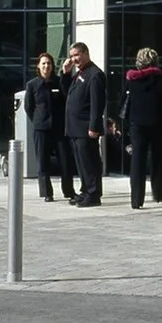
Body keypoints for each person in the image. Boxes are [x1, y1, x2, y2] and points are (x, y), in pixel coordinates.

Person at [121, 48, 162, 209]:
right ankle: (160, 194)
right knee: (158, 159)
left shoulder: (131, 80)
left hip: (137, 125)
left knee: (137, 162)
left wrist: (125, 123)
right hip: (158, 125)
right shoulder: (160, 80)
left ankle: (136, 200)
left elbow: (123, 102)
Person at [61, 45, 106, 208]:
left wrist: (94, 126)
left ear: (86, 53)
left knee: (89, 161)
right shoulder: (79, 73)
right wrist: (65, 73)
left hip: (85, 126)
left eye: (77, 55)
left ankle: (93, 194)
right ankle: (86, 190)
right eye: (72, 56)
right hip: (74, 127)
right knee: (80, 162)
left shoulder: (95, 75)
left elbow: (97, 104)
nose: (74, 59)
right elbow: (67, 92)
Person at [20, 49, 66, 201]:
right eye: (43, 64)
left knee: (65, 160)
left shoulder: (59, 82)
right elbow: (28, 107)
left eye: (49, 64)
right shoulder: (32, 85)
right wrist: (38, 120)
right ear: (39, 67)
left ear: (53, 66)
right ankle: (47, 193)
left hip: (59, 128)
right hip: (41, 128)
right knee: (43, 161)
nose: (46, 66)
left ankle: (68, 190)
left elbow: (65, 103)